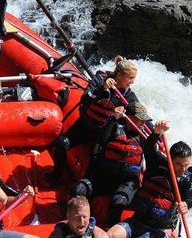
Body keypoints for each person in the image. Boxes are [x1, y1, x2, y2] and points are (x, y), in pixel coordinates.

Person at [107, 120, 192, 238]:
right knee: (109, 237)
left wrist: (186, 205)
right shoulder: (157, 164)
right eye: (179, 164)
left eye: (186, 164)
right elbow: (148, 148)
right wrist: (156, 133)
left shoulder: (187, 178)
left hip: (159, 230)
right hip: (137, 220)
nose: (183, 168)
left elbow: (189, 197)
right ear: (170, 160)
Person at [47, 56, 140, 184]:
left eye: (133, 78)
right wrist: (103, 89)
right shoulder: (99, 80)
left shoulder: (129, 96)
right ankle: (56, 176)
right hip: (85, 125)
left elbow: (138, 114)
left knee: (93, 167)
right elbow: (85, 99)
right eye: (130, 78)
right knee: (62, 143)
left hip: (102, 133)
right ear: (119, 75)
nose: (132, 82)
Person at [69, 102, 152, 226]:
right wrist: (113, 118)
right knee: (78, 189)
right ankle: (77, 223)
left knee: (119, 201)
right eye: (140, 120)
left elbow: (153, 155)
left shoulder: (143, 137)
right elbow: (100, 138)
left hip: (127, 182)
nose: (143, 124)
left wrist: (156, 135)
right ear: (129, 117)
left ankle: (111, 233)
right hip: (105, 177)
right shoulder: (113, 127)